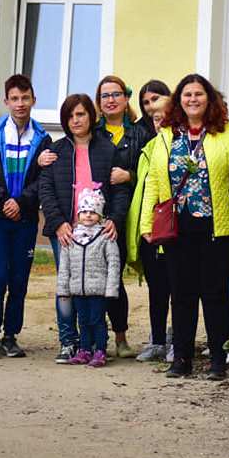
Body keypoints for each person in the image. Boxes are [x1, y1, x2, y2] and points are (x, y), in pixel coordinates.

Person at [140, 74, 229, 380]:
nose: (193, 99)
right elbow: (154, 180)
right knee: (181, 295)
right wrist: (146, 222)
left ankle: (218, 358)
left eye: (199, 94)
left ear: (209, 99)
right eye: (187, 95)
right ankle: (181, 359)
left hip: (218, 227)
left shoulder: (227, 133)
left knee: (215, 294)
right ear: (179, 100)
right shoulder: (167, 135)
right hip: (177, 228)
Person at [39, 93, 129, 364]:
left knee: (97, 288)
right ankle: (68, 341)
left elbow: (120, 190)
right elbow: (46, 190)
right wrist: (58, 223)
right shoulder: (55, 151)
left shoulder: (108, 149)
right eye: (70, 116)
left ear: (91, 116)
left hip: (100, 233)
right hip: (67, 232)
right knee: (67, 286)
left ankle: (96, 343)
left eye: (80, 114)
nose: (75, 120)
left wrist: (115, 218)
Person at [0, 74, 51, 359]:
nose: (20, 104)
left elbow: (44, 179)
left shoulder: (42, 138)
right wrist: (2, 201)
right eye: (15, 99)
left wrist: (21, 202)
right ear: (6, 101)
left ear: (33, 100)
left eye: (25, 98)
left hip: (26, 219)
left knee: (19, 279)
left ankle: (11, 335)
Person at [93, 75, 150, 358]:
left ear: (126, 98)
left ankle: (121, 337)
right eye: (105, 96)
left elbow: (154, 172)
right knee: (95, 277)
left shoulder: (140, 134)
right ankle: (94, 337)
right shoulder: (92, 133)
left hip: (129, 215)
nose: (111, 100)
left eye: (116, 94)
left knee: (115, 276)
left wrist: (130, 175)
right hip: (94, 215)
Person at [126, 96, 173, 362]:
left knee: (179, 289)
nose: (160, 122)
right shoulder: (148, 149)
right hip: (152, 229)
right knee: (156, 290)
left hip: (176, 229)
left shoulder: (183, 147)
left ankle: (178, 340)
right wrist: (141, 226)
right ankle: (157, 341)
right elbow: (142, 192)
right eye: (156, 119)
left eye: (166, 117)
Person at [57, 188, 120, 368]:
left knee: (97, 320)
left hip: (98, 289)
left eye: (93, 212)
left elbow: (114, 262)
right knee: (83, 321)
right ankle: (84, 350)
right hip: (78, 289)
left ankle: (100, 350)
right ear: (78, 215)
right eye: (84, 212)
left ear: (99, 215)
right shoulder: (71, 237)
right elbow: (64, 266)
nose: (88, 215)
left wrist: (111, 289)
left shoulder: (106, 236)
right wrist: (63, 290)